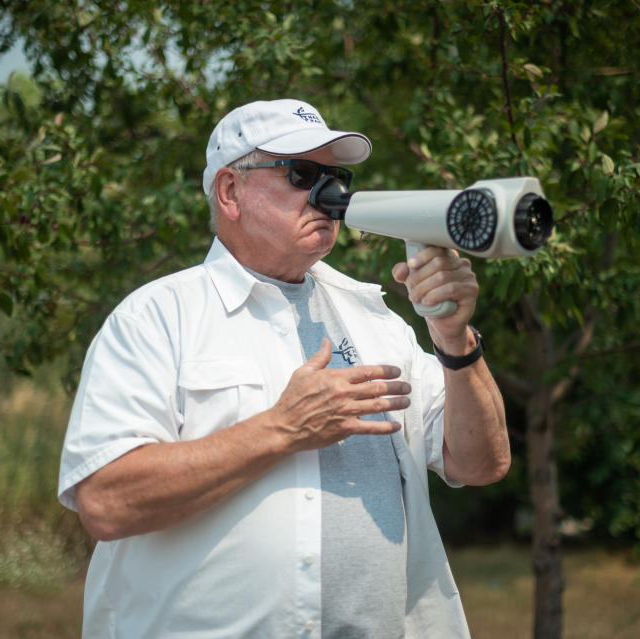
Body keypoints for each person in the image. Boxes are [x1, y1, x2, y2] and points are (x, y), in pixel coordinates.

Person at [58, 98, 510, 638]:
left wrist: (454, 338)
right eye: (302, 174)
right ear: (231, 191)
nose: (331, 195)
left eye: (335, 176)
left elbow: (481, 463)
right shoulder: (157, 318)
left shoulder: (377, 320)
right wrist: (282, 429)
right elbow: (106, 502)